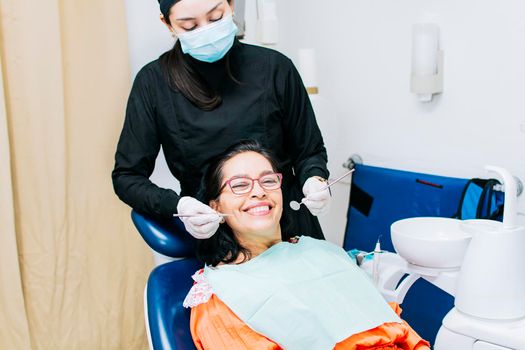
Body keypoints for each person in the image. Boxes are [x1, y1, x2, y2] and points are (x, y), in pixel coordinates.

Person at [111, 0, 331, 241]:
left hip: (289, 226)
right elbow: (127, 178)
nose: (206, 31)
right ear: (168, 24)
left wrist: (314, 179)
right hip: (218, 238)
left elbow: (309, 151)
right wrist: (178, 206)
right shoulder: (154, 84)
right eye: (189, 26)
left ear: (231, 5)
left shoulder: (276, 68)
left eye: (215, 17)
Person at [183, 140, 431, 350]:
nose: (258, 192)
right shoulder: (220, 293)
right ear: (214, 206)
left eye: (268, 181)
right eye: (239, 185)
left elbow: (395, 328)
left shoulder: (318, 249)